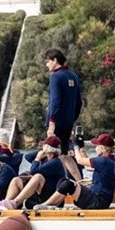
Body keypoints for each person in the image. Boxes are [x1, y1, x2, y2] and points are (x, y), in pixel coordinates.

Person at [34, 133, 115, 211]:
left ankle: (44, 205)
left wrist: (76, 147)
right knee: (63, 181)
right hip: (102, 200)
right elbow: (87, 167)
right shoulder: (111, 161)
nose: (95, 148)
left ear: (103, 148)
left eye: (97, 146)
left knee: (67, 184)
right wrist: (81, 149)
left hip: (97, 201)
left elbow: (79, 160)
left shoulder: (103, 161)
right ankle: (52, 205)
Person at [0, 136, 68, 211]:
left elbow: (34, 170)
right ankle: (6, 203)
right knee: (17, 180)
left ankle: (15, 203)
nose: (42, 146)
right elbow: (28, 156)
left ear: (48, 147)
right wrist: (42, 153)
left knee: (37, 177)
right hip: (41, 194)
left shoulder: (55, 162)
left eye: (44, 145)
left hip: (51, 197)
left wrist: (37, 158)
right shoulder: (45, 159)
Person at [44, 48, 82, 181]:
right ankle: (79, 181)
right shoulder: (73, 76)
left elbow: (55, 102)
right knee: (65, 154)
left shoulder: (55, 77)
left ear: (55, 60)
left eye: (48, 61)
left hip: (57, 122)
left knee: (53, 153)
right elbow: (78, 102)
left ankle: (60, 185)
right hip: (68, 121)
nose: (47, 64)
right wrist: (72, 119)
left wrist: (51, 124)